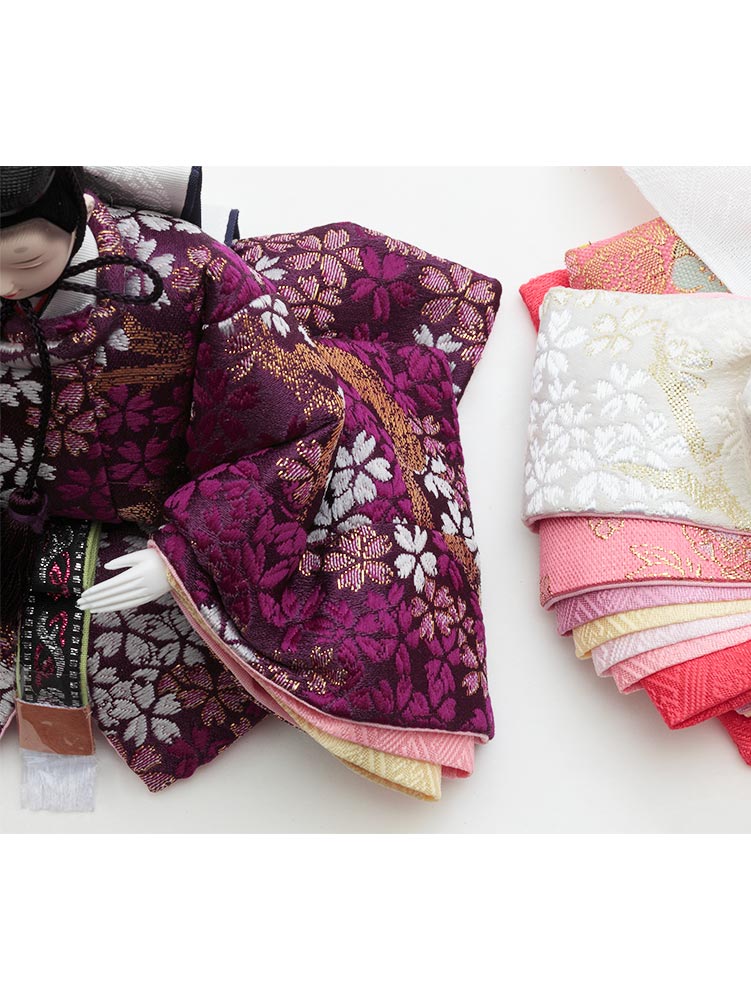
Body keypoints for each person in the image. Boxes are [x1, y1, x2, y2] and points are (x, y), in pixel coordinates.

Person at [1, 166, 498, 802]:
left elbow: (290, 419)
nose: (5, 285)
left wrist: (186, 551)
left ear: (73, 217)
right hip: (19, 521)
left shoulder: (184, 273)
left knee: (368, 562)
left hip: (173, 506)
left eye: (25, 261)